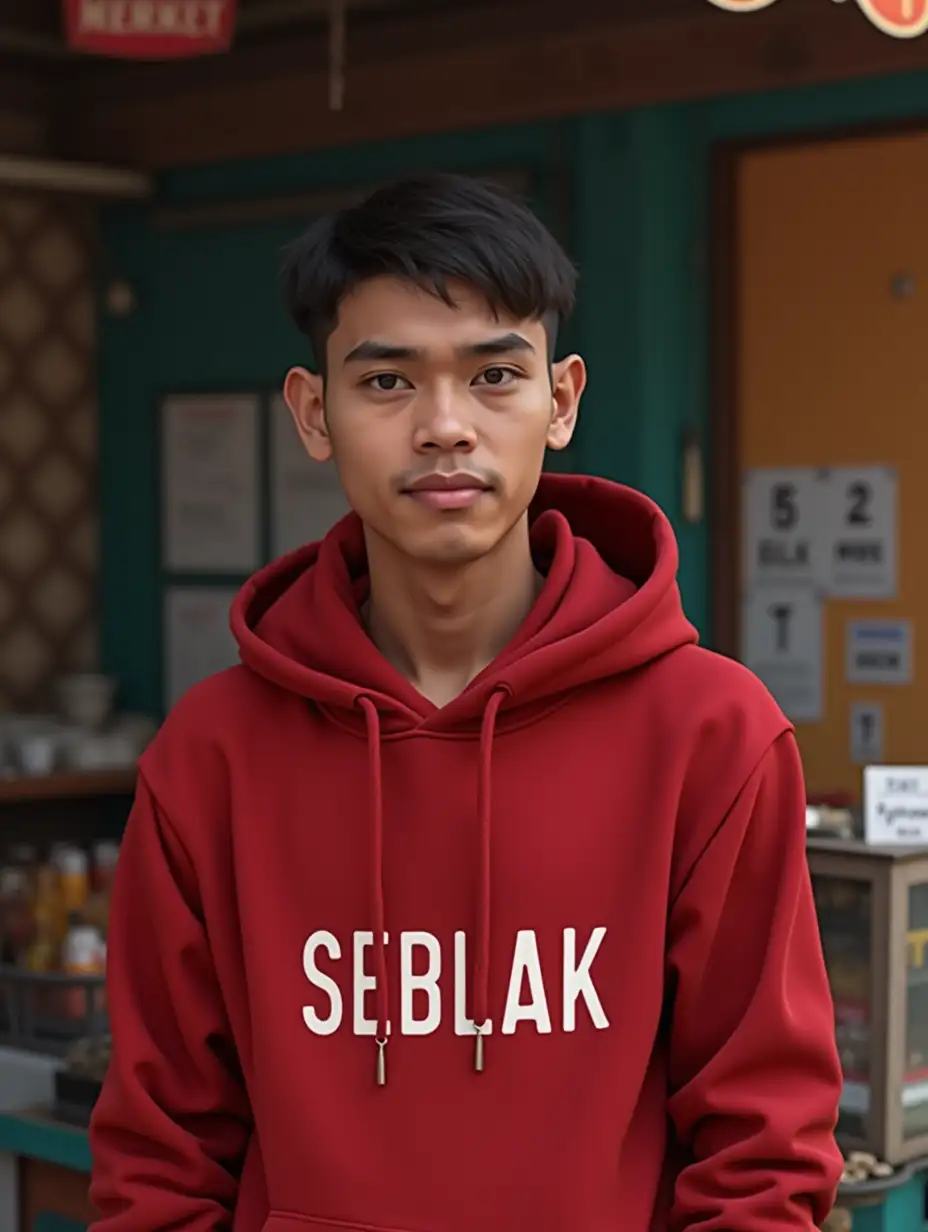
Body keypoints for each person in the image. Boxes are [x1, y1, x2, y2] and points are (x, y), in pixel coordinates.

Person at [89, 173, 843, 1231]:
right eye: (388, 383)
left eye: (494, 374)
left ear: (562, 399)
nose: (445, 427)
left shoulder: (709, 733)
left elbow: (762, 1150)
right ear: (315, 412)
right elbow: (160, 1158)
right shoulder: (211, 754)